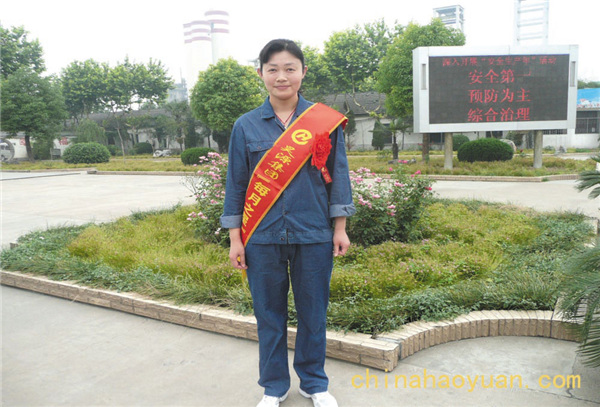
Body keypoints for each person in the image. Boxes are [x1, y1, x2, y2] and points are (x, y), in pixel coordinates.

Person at [220, 39, 356, 407]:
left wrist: (340, 228)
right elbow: (236, 184)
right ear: (261, 73)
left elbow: (339, 175)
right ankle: (274, 387)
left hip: (313, 233)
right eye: (273, 69)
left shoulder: (323, 122)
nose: (282, 76)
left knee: (314, 313)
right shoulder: (246, 125)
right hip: (261, 236)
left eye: (290, 68)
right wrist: (235, 238)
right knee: (268, 315)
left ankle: (314, 383)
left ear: (302, 72)